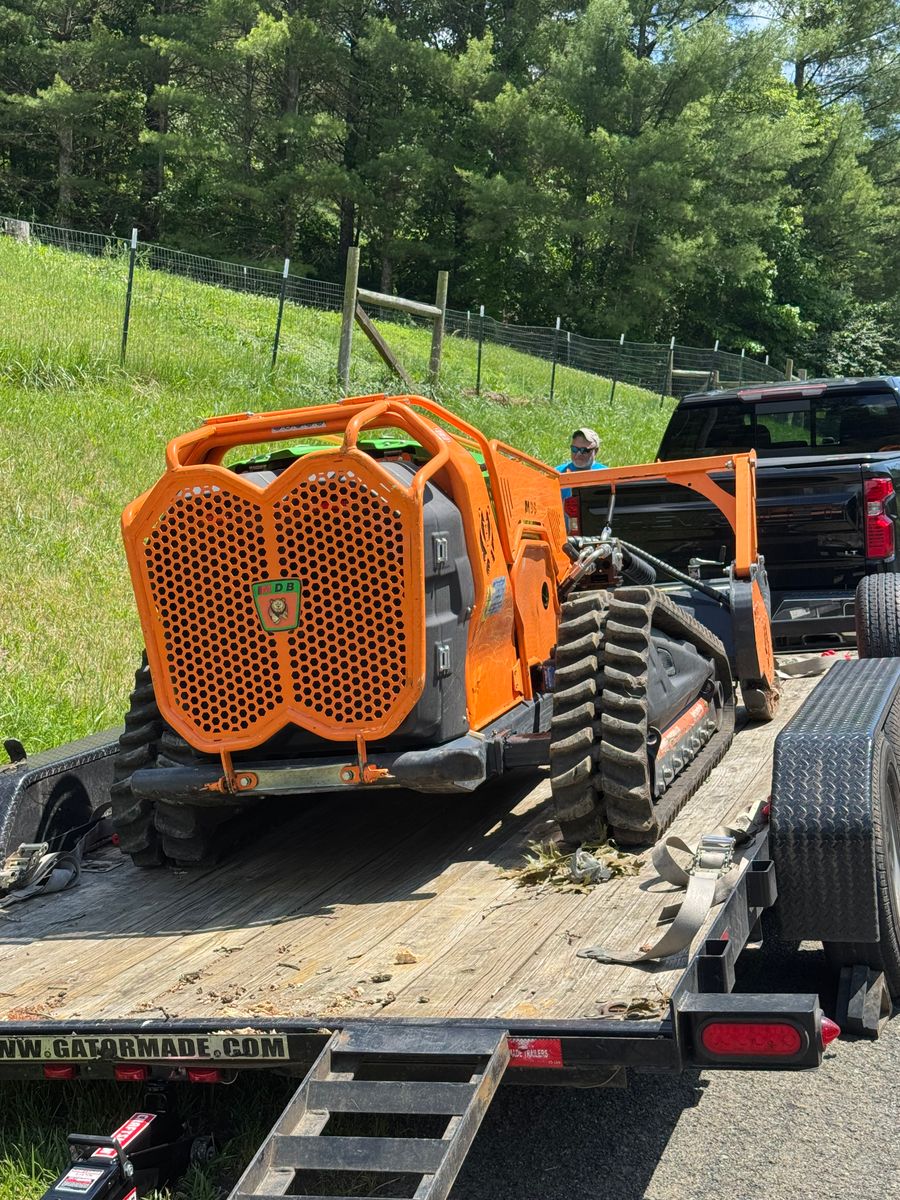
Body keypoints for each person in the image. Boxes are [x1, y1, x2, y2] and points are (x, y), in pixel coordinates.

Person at [557, 427, 606, 498]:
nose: (578, 454)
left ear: (596, 451)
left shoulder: (606, 475)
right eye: (574, 449)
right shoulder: (557, 474)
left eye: (584, 450)